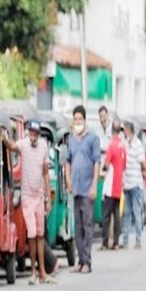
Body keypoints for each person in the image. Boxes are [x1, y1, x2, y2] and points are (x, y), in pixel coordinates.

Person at [2, 120, 54, 284]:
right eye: (31, 133)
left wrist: (47, 198)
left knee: (40, 235)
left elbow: (45, 173)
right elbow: (12, 147)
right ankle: (33, 271)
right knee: (31, 234)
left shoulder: (43, 147)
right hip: (27, 197)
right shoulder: (23, 145)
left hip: (39, 196)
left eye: (35, 134)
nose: (33, 136)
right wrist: (4, 138)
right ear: (28, 133)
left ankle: (42, 272)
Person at [65, 106, 100, 274]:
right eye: (75, 119)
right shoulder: (71, 140)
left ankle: (87, 261)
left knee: (87, 226)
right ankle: (80, 260)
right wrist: (68, 180)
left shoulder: (92, 138)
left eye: (80, 119)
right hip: (76, 189)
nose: (77, 122)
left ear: (85, 120)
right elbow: (67, 161)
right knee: (77, 227)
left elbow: (97, 162)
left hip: (87, 189)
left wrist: (94, 185)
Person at [101, 121, 126, 250]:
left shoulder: (111, 146)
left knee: (106, 215)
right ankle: (116, 242)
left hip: (110, 185)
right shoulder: (122, 146)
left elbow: (106, 164)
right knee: (117, 215)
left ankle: (105, 242)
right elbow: (124, 165)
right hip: (119, 185)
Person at [122, 122, 146, 250]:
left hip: (136, 184)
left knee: (137, 212)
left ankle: (138, 240)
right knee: (126, 213)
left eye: (125, 130)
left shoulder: (138, 145)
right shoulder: (125, 144)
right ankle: (125, 240)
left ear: (129, 130)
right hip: (127, 184)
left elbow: (142, 162)